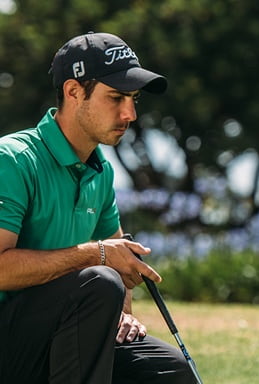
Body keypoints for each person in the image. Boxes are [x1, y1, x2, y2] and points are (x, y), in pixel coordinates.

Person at [0, 32, 195, 383]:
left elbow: (120, 264)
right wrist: (98, 255)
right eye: (116, 97)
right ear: (74, 92)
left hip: (62, 338)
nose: (130, 113)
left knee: (167, 370)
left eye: (134, 99)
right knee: (100, 279)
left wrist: (123, 315)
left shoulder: (100, 169)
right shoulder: (12, 160)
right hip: (9, 349)